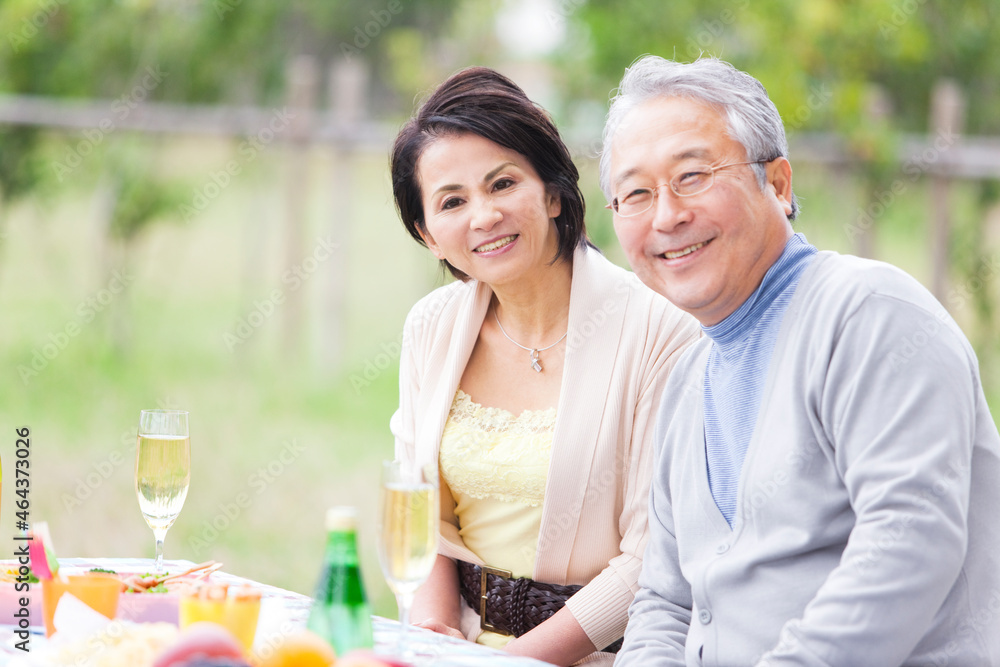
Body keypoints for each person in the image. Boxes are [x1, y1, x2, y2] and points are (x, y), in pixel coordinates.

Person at [602, 54, 1000, 666]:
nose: (666, 216)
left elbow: (909, 543)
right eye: (635, 193)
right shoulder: (687, 380)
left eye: (693, 176)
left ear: (779, 185)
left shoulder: (871, 315)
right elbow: (666, 600)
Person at [388, 66, 700, 666]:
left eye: (502, 184)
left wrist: (511, 663)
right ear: (428, 233)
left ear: (552, 193)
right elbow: (416, 507)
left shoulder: (660, 330)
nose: (483, 216)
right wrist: (434, 632)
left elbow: (652, 556)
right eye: (452, 201)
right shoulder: (432, 328)